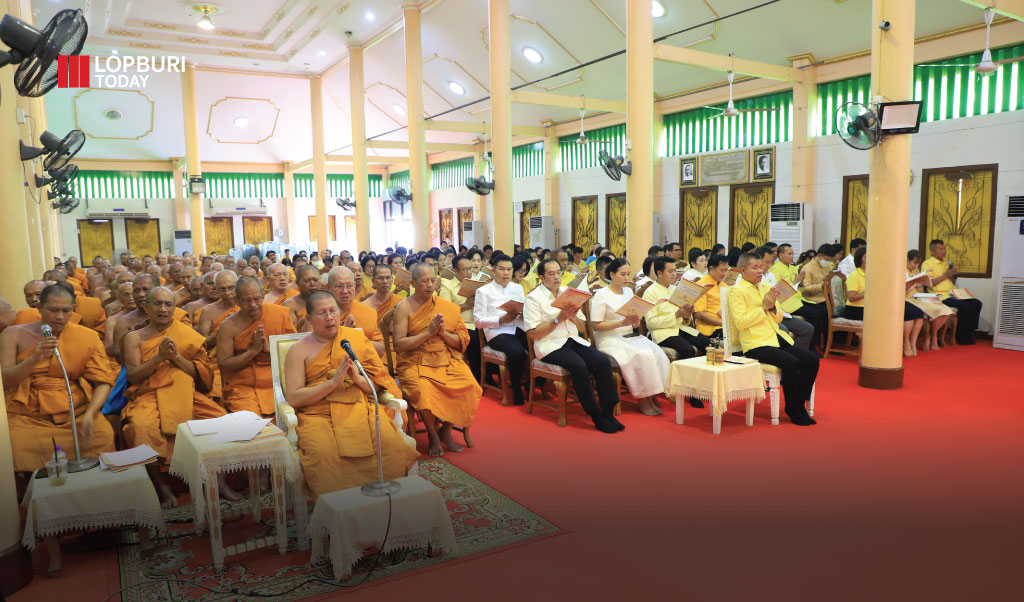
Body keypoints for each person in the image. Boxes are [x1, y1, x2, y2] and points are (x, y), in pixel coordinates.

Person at [284, 290, 419, 498]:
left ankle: (387, 507)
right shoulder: (298, 351)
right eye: (322, 313)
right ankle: (339, 514)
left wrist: (357, 380)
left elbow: (378, 384)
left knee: (390, 446)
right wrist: (332, 383)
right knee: (323, 455)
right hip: (320, 416)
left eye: (333, 311)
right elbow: (294, 398)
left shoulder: (354, 339)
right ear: (309, 319)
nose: (330, 318)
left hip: (359, 408)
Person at [122, 287, 221, 507]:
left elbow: (202, 374)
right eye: (157, 304)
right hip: (149, 394)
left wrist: (175, 357)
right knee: (140, 426)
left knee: (218, 419)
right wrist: (158, 358)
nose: (163, 309)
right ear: (146, 307)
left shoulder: (186, 334)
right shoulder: (133, 338)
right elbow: (133, 376)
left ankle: (217, 481)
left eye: (169, 304)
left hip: (185, 391)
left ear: (175, 308)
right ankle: (161, 485)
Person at [1, 284, 116, 472]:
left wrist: (90, 414)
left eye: (66, 310)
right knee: (13, 443)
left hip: (74, 410)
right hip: (28, 413)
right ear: (39, 308)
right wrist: (34, 359)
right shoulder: (12, 334)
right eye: (53, 310)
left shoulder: (87, 336)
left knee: (102, 434)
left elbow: (103, 381)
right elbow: (4, 380)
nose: (60, 316)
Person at [524, 258, 621, 433]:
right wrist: (558, 318)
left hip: (573, 340)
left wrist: (573, 316)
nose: (556, 277)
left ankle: (607, 412)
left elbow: (583, 328)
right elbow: (533, 334)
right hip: (549, 345)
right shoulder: (533, 298)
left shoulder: (569, 293)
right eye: (551, 274)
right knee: (579, 365)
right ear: (541, 277)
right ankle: (595, 415)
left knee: (602, 361)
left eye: (558, 273)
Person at [393, 264, 481, 456]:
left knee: (471, 387)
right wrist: (428, 333)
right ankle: (433, 435)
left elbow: (462, 340)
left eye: (433, 280)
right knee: (422, 391)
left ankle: (446, 430)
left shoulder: (446, 307)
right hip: (414, 360)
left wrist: (442, 333)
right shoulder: (404, 307)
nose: (430, 285)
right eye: (425, 281)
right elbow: (399, 345)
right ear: (413, 283)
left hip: (446, 357)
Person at [727, 253, 819, 426]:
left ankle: (799, 399)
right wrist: (763, 307)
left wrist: (771, 308)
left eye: (760, 266)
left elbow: (777, 318)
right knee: (792, 363)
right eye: (754, 267)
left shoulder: (765, 286)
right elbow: (740, 322)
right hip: (756, 343)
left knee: (811, 360)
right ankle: (793, 408)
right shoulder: (737, 291)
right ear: (743, 270)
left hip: (776, 337)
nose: (759, 270)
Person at [589, 259, 669, 416]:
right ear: (611, 274)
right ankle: (643, 400)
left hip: (629, 334)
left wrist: (635, 319)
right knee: (641, 354)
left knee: (656, 351)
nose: (626, 278)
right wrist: (621, 323)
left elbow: (632, 317)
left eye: (628, 274)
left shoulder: (628, 292)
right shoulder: (602, 295)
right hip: (609, 337)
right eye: (622, 274)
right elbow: (596, 325)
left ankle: (653, 394)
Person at [217, 276, 297, 418]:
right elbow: (224, 365)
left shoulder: (280, 315)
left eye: (257, 299)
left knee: (293, 420)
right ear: (236, 300)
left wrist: (270, 350)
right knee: (252, 425)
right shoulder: (228, 326)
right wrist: (253, 351)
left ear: (263, 295)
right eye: (246, 300)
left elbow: (295, 353)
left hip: (278, 383)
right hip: (243, 387)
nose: (253, 305)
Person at [642, 257, 709, 400]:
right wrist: (676, 315)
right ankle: (687, 391)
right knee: (687, 349)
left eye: (675, 271)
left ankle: (703, 386)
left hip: (679, 328)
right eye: (670, 271)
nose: (674, 274)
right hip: (662, 332)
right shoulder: (650, 292)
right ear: (659, 273)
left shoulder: (676, 290)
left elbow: (684, 320)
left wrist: (686, 314)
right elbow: (651, 323)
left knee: (706, 343)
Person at [844, 247, 925, 357]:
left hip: (871, 307)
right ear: (860, 259)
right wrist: (870, 292)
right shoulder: (855, 275)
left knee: (901, 313)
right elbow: (851, 297)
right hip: (856, 309)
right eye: (867, 257)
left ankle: (896, 346)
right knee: (888, 316)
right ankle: (882, 348)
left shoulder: (874, 274)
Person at [473, 253, 528, 405]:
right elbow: (478, 321)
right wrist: (500, 320)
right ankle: (516, 387)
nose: (506, 273)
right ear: (493, 270)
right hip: (497, 332)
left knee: (540, 344)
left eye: (509, 270)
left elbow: (523, 310)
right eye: (502, 269)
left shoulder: (517, 288)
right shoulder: (483, 291)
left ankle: (532, 385)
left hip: (517, 326)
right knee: (517, 352)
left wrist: (524, 313)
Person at [921, 239, 982, 345]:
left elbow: (951, 281)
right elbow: (929, 283)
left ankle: (970, 332)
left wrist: (953, 275)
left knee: (976, 303)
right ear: (932, 251)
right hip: (940, 296)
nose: (944, 251)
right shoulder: (927, 264)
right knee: (964, 306)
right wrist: (946, 275)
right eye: (940, 249)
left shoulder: (946, 263)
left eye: (944, 248)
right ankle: (962, 336)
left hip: (952, 293)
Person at [326, 266, 385, 357]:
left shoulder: (367, 312)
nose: (345, 291)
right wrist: (345, 333)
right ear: (328, 287)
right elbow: (315, 350)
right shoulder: (320, 314)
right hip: (333, 367)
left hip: (366, 366)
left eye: (349, 286)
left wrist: (354, 337)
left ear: (354, 285)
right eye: (339, 286)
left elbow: (380, 350)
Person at [440, 255, 482, 382]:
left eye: (470, 269)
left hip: (479, 322)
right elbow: (445, 313)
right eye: (465, 269)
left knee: (492, 336)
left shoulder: (477, 284)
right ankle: (476, 378)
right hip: (460, 325)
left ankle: (489, 375)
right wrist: (466, 305)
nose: (469, 272)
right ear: (455, 270)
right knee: (474, 340)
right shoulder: (448, 286)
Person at [907, 249, 954, 351]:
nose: (915, 266)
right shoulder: (902, 270)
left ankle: (931, 335)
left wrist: (920, 286)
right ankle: (932, 338)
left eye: (917, 264)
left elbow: (919, 287)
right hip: (907, 297)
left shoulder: (916, 270)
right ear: (907, 260)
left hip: (917, 295)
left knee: (945, 310)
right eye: (914, 263)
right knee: (933, 309)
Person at [797, 244, 835, 348]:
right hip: (812, 299)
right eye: (826, 259)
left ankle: (829, 344)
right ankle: (815, 345)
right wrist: (822, 286)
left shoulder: (827, 267)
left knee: (835, 311)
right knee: (822, 312)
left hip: (825, 298)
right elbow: (806, 289)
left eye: (830, 260)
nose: (828, 262)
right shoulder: (807, 268)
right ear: (819, 256)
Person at [693, 255, 729, 339]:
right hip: (710, 328)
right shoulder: (702, 285)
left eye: (726, 270)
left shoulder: (724, 285)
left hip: (725, 325)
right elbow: (698, 314)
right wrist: (722, 323)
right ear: (711, 268)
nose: (724, 274)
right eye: (722, 270)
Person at [284, 264, 322, 331]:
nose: (312, 284)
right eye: (307, 281)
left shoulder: (328, 300)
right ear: (298, 283)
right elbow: (291, 335)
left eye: (315, 280)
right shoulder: (290, 305)